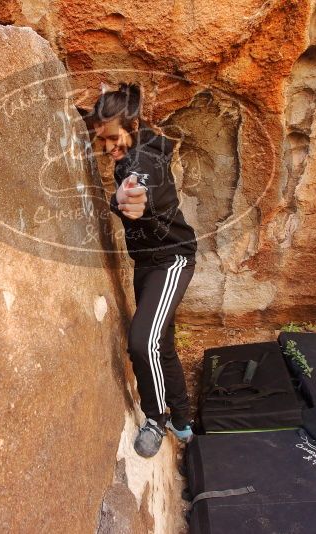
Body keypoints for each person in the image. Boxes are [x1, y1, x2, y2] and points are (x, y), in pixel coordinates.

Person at [88, 82, 198, 458]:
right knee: (162, 343)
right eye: (102, 140)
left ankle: (156, 419)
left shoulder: (142, 166)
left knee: (141, 341)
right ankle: (183, 421)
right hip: (147, 262)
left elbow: (137, 192)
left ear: (133, 129)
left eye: (113, 139)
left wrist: (123, 200)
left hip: (172, 259)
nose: (108, 148)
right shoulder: (140, 140)